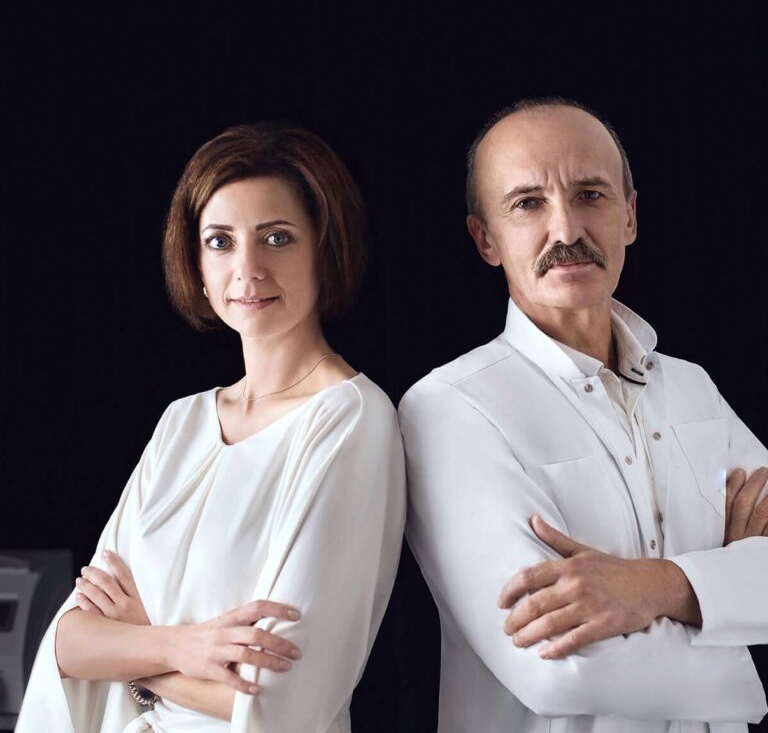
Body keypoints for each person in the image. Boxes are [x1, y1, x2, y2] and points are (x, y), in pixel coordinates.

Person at [16, 123, 406, 733]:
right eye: (220, 242)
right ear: (197, 265)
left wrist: (137, 656)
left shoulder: (350, 419)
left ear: (326, 253)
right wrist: (181, 648)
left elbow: (282, 699)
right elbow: (68, 642)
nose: (247, 270)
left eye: (277, 238)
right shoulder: (184, 421)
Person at [399, 97, 768, 732]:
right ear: (486, 239)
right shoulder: (450, 408)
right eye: (528, 204)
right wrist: (736, 609)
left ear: (630, 216)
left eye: (590, 195)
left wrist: (660, 587)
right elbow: (557, 667)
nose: (566, 230)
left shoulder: (694, 389)